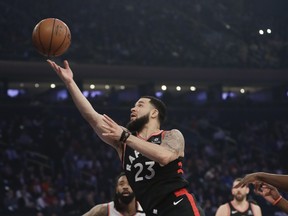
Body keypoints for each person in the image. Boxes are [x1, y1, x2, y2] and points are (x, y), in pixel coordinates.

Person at [47, 59, 205, 216]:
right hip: (152, 211)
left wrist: (125, 137)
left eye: (140, 105)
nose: (133, 108)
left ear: (154, 113)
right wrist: (70, 83)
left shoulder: (171, 135)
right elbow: (92, 117)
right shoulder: (123, 142)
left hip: (177, 206)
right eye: (134, 105)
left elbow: (164, 156)